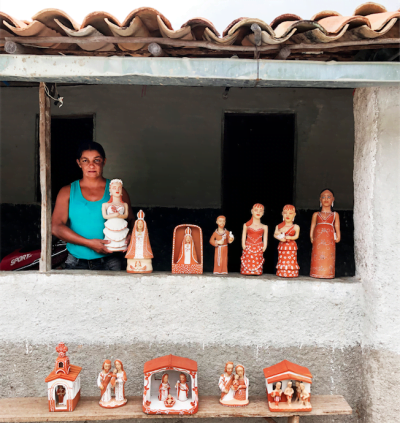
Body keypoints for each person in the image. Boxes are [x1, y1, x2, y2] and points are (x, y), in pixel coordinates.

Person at [52, 141, 133, 270]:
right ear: (78, 163)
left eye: (97, 160)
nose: (91, 165)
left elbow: (131, 220)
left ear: (104, 161)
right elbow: (56, 227)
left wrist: (131, 234)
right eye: (85, 160)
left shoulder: (117, 190)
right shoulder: (67, 192)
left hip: (111, 261)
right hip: (76, 262)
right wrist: (89, 243)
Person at [310, 189, 341, 278]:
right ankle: (316, 273)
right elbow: (312, 226)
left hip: (329, 239)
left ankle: (328, 273)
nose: (326, 199)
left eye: (329, 197)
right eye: (323, 197)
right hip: (318, 239)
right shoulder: (316, 214)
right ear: (320, 199)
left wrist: (338, 235)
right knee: (317, 255)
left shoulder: (335, 214)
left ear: (333, 199)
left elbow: (337, 226)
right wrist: (311, 236)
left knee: (328, 256)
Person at [240, 204, 268, 275]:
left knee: (257, 260)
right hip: (248, 246)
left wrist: (264, 246)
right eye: (256, 210)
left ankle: (257, 271)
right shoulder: (246, 225)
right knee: (247, 260)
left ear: (263, 212)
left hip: (259, 247)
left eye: (260, 211)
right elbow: (244, 235)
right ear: (252, 211)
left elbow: (265, 238)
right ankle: (246, 271)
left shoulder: (264, 226)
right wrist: (243, 244)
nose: (258, 212)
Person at [274, 205, 300, 278]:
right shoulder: (278, 226)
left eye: (290, 213)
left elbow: (296, 236)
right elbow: (275, 235)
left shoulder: (296, 226)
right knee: (282, 259)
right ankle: (282, 271)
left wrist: (290, 237)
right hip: (282, 246)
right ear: (282, 213)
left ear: (294, 214)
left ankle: (291, 272)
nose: (287, 215)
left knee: (291, 259)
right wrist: (280, 238)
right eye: (285, 213)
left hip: (291, 246)